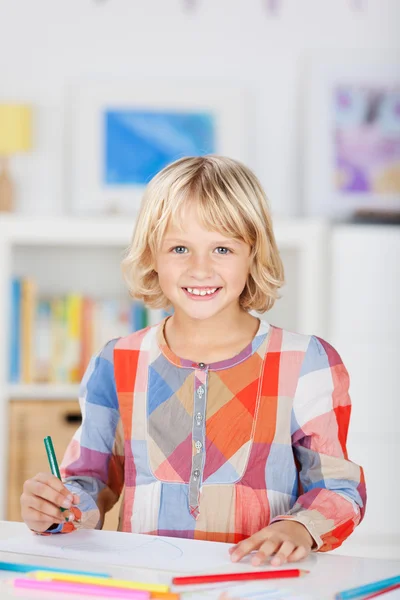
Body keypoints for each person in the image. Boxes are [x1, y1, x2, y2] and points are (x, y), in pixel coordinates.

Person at [20, 156, 366, 567]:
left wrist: (301, 527)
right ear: (153, 255)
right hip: (146, 583)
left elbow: (339, 490)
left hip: (261, 585)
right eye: (179, 248)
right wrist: (59, 510)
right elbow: (89, 484)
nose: (200, 268)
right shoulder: (117, 361)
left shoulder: (306, 362)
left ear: (252, 253)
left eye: (222, 248)